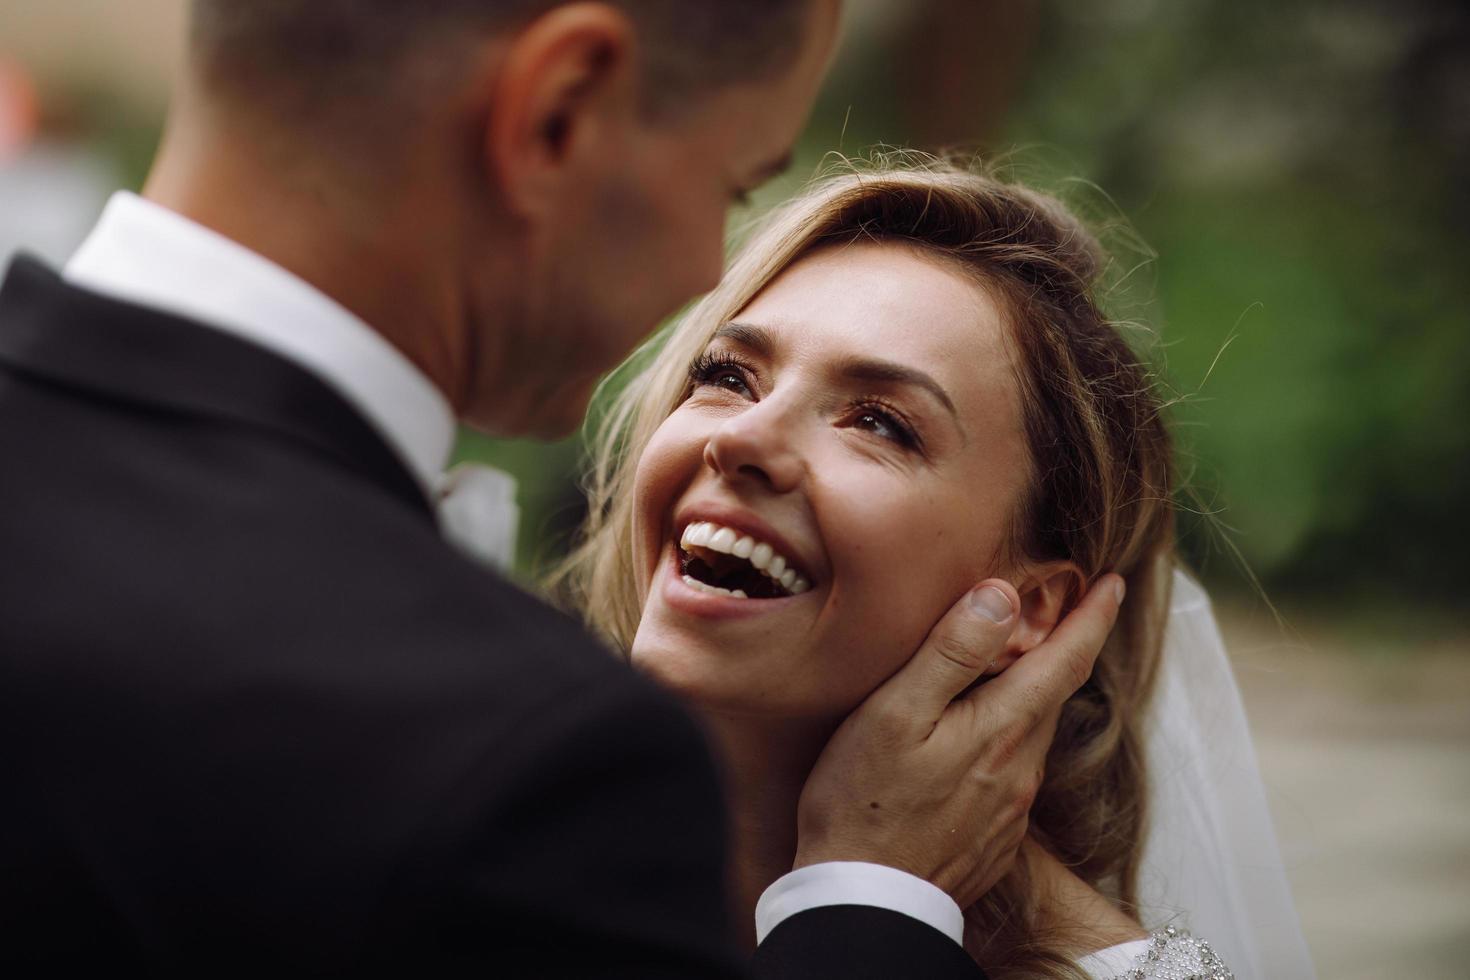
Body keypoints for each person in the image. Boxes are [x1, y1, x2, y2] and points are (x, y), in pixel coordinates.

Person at [0, 3, 1126, 976]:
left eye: (878, 421)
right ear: (557, 113)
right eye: (728, 183)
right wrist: (870, 908)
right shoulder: (530, 765)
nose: (700, 272)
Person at [556, 158, 1295, 978]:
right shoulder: (479, 864)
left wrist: (867, 894)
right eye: (729, 376)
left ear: (1032, 609)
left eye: (878, 423)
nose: (741, 440)